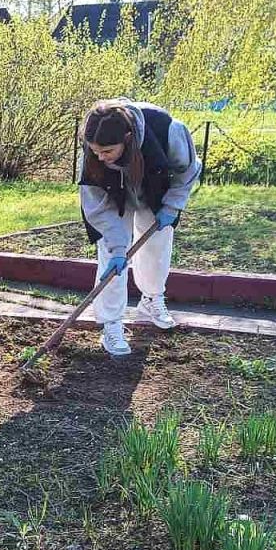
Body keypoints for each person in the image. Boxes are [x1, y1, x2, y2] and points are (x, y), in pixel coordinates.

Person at [78, 98, 202, 357]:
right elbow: (96, 207)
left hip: (154, 190)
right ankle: (112, 323)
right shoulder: (93, 151)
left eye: (107, 151)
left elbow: (187, 169)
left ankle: (151, 299)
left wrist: (172, 206)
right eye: (95, 151)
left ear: (127, 137)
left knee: (157, 247)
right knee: (111, 257)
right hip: (113, 197)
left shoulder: (166, 129)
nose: (100, 157)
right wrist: (119, 247)